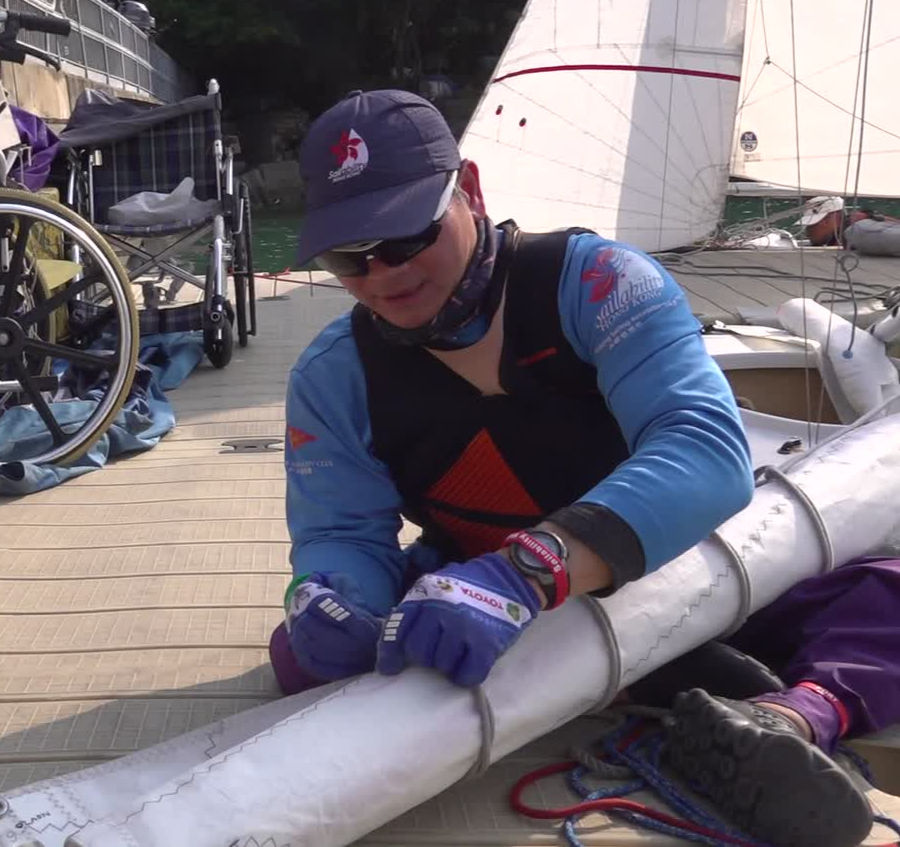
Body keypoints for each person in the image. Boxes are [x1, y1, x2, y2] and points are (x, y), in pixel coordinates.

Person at [272, 89, 900, 847]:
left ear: (469, 189)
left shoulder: (601, 283)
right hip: (472, 588)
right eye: (348, 256)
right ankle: (667, 677)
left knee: (887, 595)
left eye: (406, 236)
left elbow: (704, 451)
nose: (381, 275)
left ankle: (788, 717)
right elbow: (341, 533)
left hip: (671, 559)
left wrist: (528, 572)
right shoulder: (332, 374)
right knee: (302, 653)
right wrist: (330, 597)